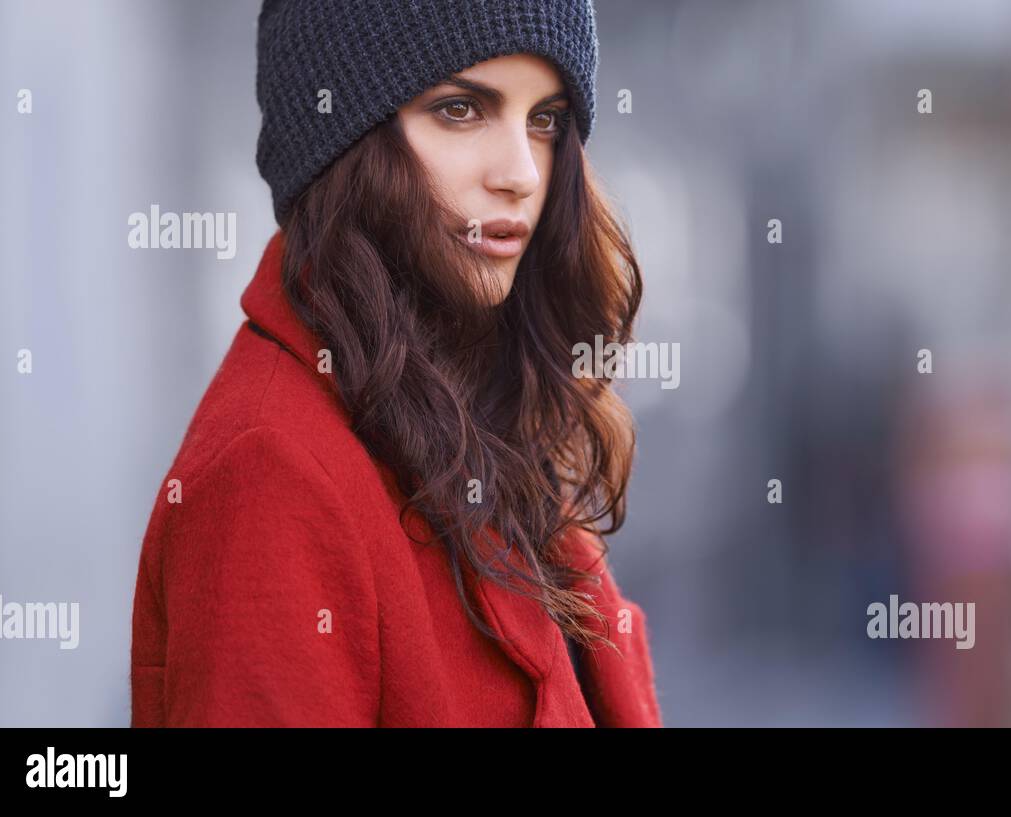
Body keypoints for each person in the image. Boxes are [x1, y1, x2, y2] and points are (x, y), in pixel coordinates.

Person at [130, 0, 662, 727]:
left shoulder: (487, 414)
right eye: (460, 109)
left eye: (546, 119)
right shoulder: (271, 473)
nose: (520, 173)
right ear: (345, 142)